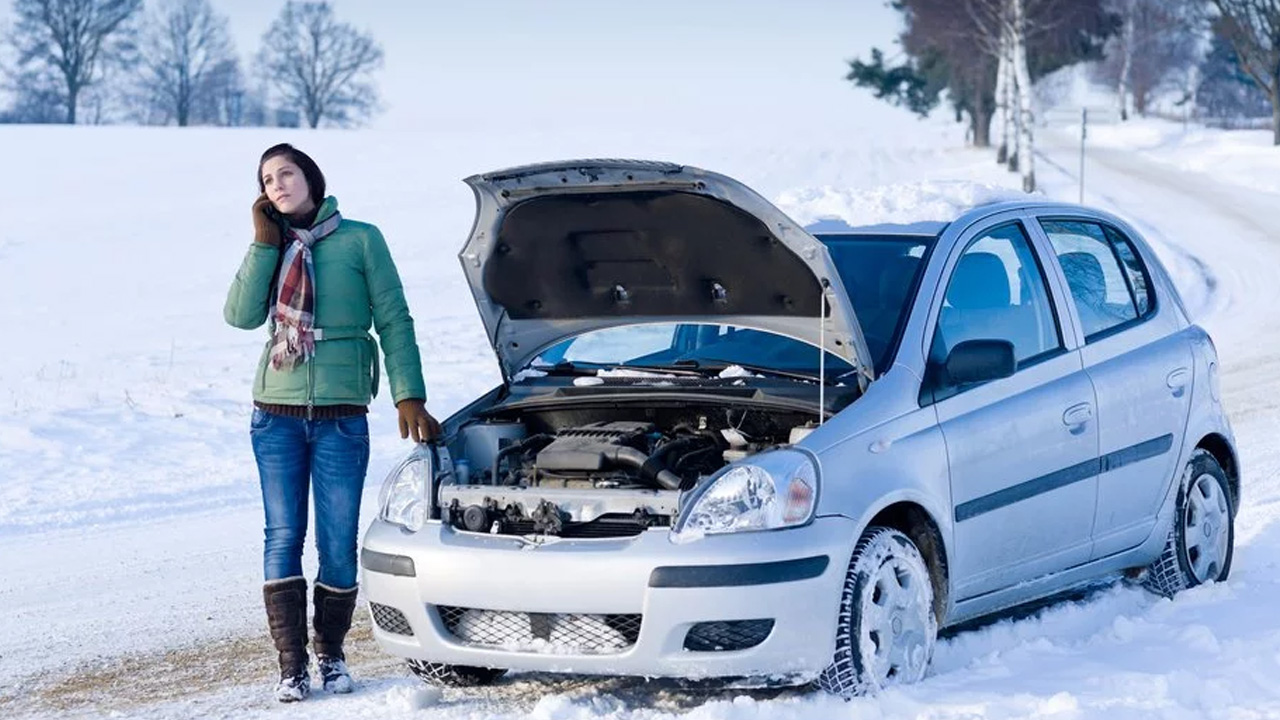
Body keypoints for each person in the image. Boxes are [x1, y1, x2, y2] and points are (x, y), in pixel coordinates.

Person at [224, 143, 440, 702]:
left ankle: (334, 656)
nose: (277, 184)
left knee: (338, 542)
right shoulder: (272, 246)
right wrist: (262, 243)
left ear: (311, 178)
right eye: (267, 179)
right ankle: (291, 665)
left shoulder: (361, 239)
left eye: (286, 173)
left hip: (342, 415)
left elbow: (394, 318)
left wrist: (408, 394)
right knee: (282, 536)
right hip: (275, 414)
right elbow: (242, 316)